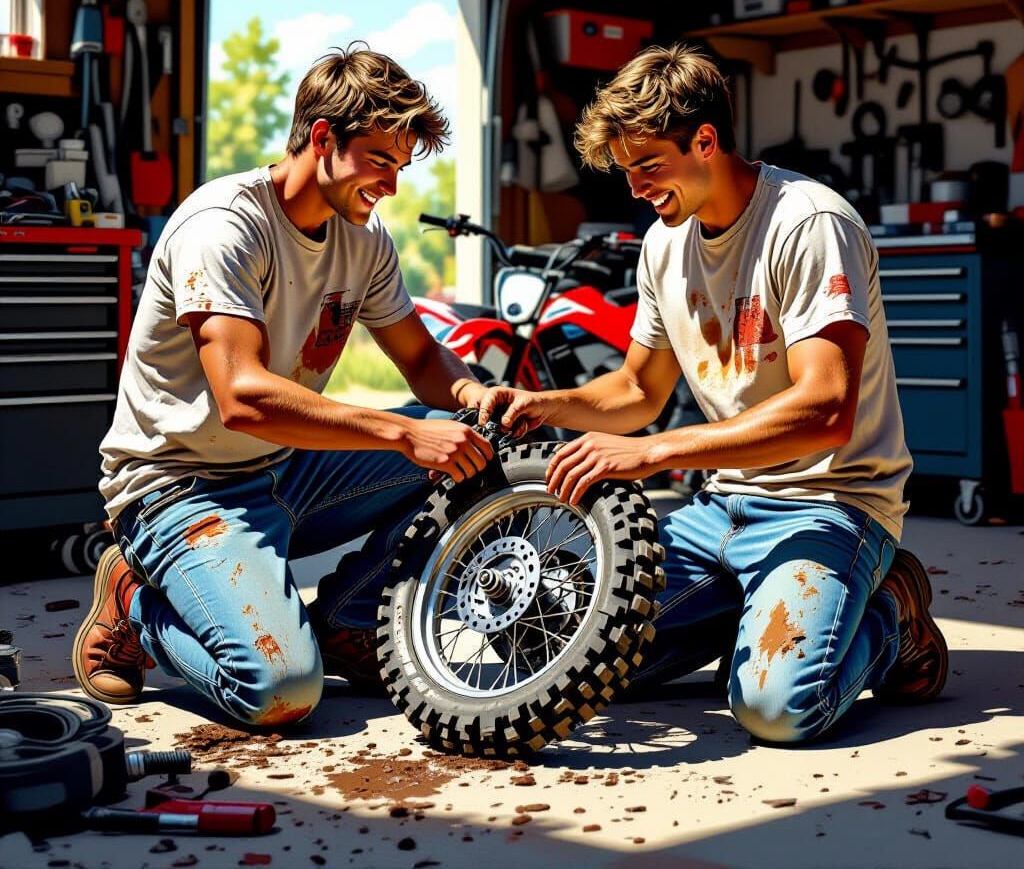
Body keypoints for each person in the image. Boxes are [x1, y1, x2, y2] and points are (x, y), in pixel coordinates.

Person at [475, 43, 948, 743]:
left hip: (829, 504)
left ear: (705, 140)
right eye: (625, 170)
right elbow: (638, 389)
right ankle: (757, 610)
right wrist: (542, 405)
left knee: (775, 707)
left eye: (647, 166)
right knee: (567, 659)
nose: (634, 188)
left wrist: (655, 454)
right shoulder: (665, 245)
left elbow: (826, 410)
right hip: (719, 510)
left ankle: (891, 610)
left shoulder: (809, 224)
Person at [73, 46, 493, 726]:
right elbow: (242, 397)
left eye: (400, 167)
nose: (391, 185)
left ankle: (346, 618)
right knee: (278, 691)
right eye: (380, 161)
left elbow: (420, 359)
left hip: (288, 468)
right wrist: (404, 431)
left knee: (477, 447)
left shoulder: (362, 239)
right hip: (179, 486)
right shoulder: (225, 227)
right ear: (323, 137)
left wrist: (477, 398)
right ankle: (134, 598)